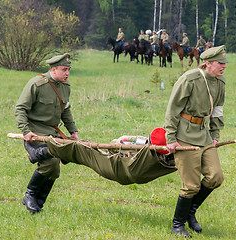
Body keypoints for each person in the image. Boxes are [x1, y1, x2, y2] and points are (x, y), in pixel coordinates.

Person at [164, 45, 228, 237]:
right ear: (207, 64)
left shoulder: (220, 82)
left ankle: (190, 212)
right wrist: (170, 138)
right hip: (184, 135)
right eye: (220, 63)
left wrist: (215, 135)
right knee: (191, 185)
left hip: (204, 135)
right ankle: (178, 224)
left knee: (216, 177)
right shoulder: (190, 79)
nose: (224, 66)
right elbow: (173, 109)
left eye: (225, 63)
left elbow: (217, 110)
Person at [14, 53, 79, 214]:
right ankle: (29, 195)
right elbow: (20, 108)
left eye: (69, 70)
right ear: (53, 69)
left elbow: (65, 111)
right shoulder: (36, 84)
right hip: (35, 132)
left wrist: (73, 131)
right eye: (64, 70)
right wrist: (26, 131)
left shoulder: (65, 87)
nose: (67, 73)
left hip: (52, 133)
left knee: (55, 169)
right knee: (50, 163)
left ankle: (38, 204)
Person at [24, 128, 177, 186]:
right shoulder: (163, 155)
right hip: (118, 163)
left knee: (80, 149)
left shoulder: (146, 154)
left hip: (117, 168)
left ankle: (40, 153)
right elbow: (125, 138)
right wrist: (120, 144)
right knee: (81, 149)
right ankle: (50, 155)